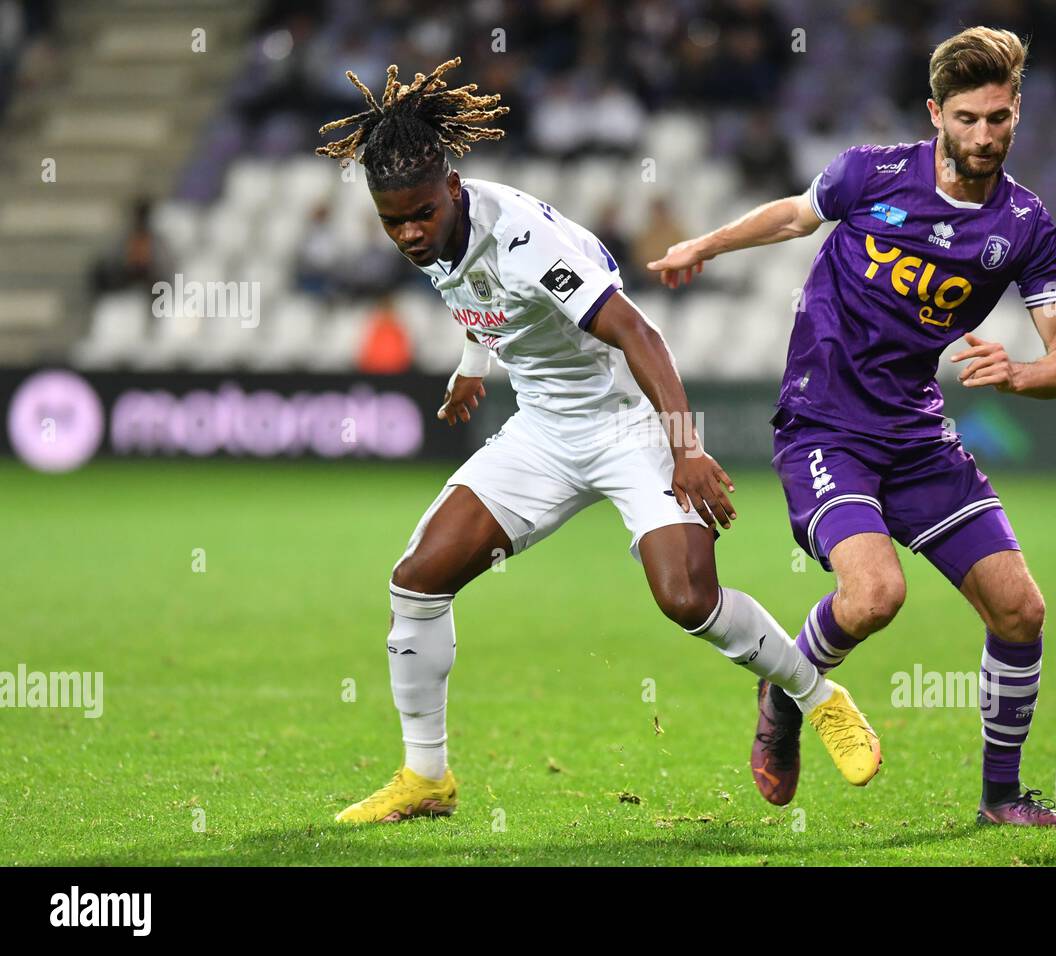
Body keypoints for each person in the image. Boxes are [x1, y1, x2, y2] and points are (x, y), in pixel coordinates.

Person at [315, 59, 880, 823]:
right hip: (544, 430)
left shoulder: (521, 238)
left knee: (687, 599)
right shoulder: (431, 229)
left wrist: (684, 447)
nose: (408, 233)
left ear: (453, 186)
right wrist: (472, 365)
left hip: (629, 424)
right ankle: (427, 778)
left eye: (418, 214)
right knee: (416, 581)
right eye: (392, 221)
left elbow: (637, 331)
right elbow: (470, 289)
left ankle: (815, 694)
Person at [648, 28, 1056, 826]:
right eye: (967, 119)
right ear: (935, 115)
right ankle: (788, 691)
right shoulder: (872, 173)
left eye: (998, 118)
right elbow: (792, 216)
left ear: (1015, 111)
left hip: (917, 436)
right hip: (825, 426)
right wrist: (705, 246)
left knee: (1021, 611)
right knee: (877, 594)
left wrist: (1021, 373)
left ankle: (999, 801)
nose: (984, 135)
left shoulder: (1025, 225)